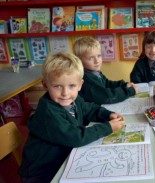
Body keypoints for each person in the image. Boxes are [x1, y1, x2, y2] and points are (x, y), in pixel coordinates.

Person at [19, 52, 126, 183]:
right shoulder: (47, 112)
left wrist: (108, 114)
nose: (65, 93)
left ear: (80, 85)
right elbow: (75, 137)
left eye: (72, 86)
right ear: (45, 85)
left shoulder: (74, 100)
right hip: (42, 173)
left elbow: (90, 108)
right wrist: (108, 127)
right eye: (57, 86)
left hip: (62, 159)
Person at [73, 37, 139, 105]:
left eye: (99, 56)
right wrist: (129, 91)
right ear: (79, 60)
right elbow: (106, 96)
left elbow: (107, 84)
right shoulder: (85, 78)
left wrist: (124, 84)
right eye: (90, 58)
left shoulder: (94, 72)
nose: (97, 61)